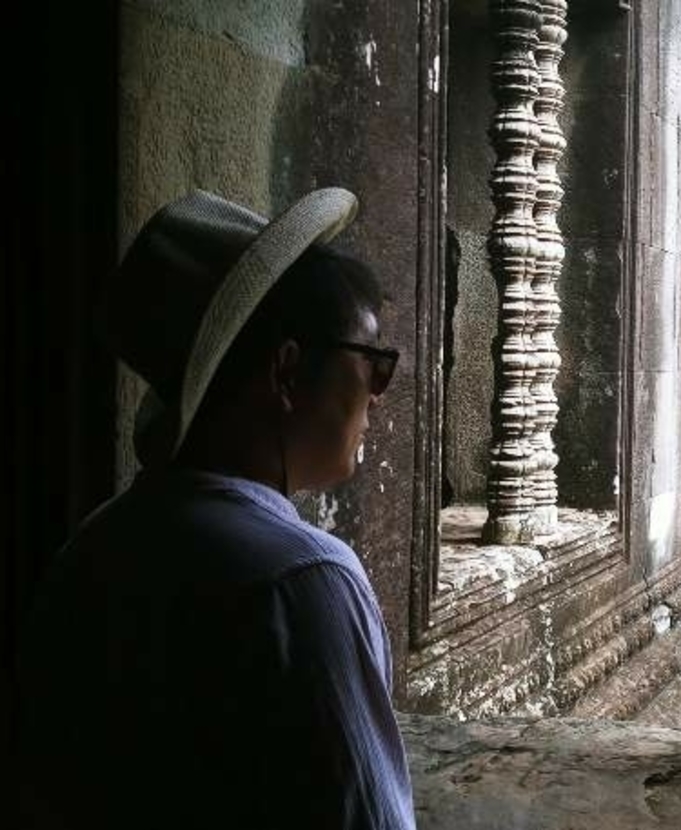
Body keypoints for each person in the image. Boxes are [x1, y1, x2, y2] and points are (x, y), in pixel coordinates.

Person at [17, 188, 416, 829]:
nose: (378, 395)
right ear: (287, 372)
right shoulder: (303, 580)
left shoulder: (97, 543)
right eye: (374, 363)